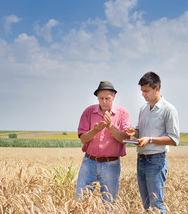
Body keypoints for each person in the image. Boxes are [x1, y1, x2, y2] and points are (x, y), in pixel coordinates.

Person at [126, 72, 180, 213]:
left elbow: (174, 139)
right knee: (146, 205)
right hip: (141, 160)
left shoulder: (169, 110)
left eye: (146, 91)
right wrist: (134, 132)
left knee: (156, 205)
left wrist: (149, 139)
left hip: (156, 161)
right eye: (142, 91)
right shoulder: (143, 108)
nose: (143, 95)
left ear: (157, 88)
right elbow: (140, 130)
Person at [75, 81, 131, 202]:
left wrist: (110, 126)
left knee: (109, 204)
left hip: (111, 164)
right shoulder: (88, 112)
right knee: (80, 201)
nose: (104, 101)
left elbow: (124, 139)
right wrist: (95, 130)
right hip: (89, 162)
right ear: (97, 97)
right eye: (101, 98)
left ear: (114, 96)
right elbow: (83, 139)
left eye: (107, 98)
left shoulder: (123, 113)